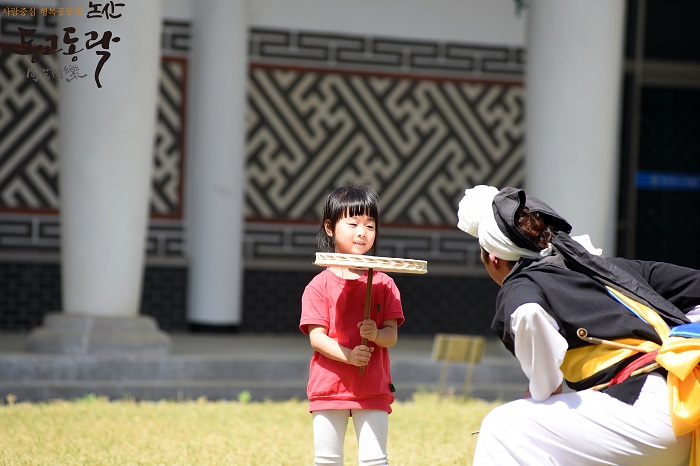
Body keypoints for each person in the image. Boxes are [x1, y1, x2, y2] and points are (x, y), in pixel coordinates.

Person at [456, 185, 700, 466]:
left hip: (646, 416)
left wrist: (544, 386)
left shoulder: (523, 282)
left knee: (502, 428)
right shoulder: (609, 270)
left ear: (493, 257)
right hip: (688, 408)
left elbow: (528, 314)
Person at [300, 183, 404, 466]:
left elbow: (391, 335)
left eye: (370, 225)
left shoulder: (384, 283)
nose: (362, 231)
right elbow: (317, 337)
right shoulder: (318, 285)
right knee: (327, 459)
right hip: (329, 386)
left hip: (372, 386)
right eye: (353, 223)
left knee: (374, 459)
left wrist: (377, 334)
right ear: (330, 227)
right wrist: (349, 356)